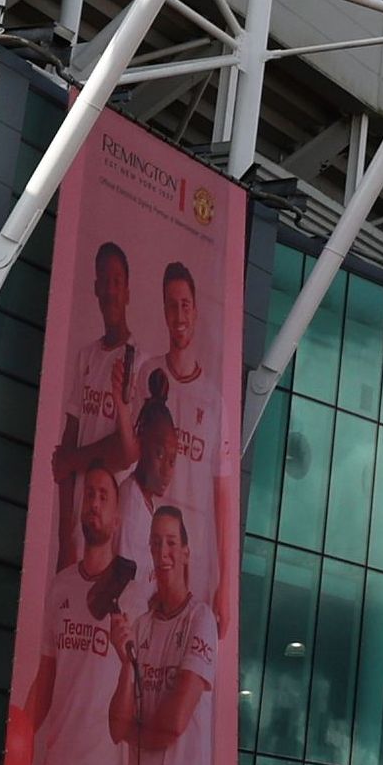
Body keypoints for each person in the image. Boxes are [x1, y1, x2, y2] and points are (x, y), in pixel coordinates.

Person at [18, 464, 138, 765]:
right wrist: (18, 740)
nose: (94, 503)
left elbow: (139, 706)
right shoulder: (61, 586)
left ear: (117, 520)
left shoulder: (132, 595)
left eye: (104, 496)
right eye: (89, 494)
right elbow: (47, 676)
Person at [109, 504, 221, 765]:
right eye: (156, 543)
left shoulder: (200, 620)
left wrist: (133, 731)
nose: (163, 553)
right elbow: (115, 726)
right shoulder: (139, 626)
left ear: (186, 551)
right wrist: (127, 663)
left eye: (171, 542)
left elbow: (173, 725)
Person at [51, 242, 144, 566]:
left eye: (116, 281)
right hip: (77, 532)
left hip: (113, 538)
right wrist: (64, 538)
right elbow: (64, 450)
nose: (110, 290)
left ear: (128, 290)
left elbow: (125, 452)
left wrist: (74, 459)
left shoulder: (139, 363)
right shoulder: (86, 357)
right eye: (103, 281)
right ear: (94, 287)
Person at [141, 261, 225, 618]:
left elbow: (222, 493)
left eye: (185, 305)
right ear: (163, 310)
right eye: (172, 305)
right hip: (149, 550)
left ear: (196, 311)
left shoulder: (213, 399)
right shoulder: (150, 375)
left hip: (194, 563)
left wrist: (225, 586)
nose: (179, 314)